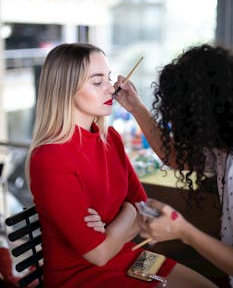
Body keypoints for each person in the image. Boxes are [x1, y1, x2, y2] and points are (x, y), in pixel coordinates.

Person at [26, 43, 217, 288]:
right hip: (80, 277)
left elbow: (143, 208)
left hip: (129, 256)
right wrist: (128, 212)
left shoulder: (111, 138)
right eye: (97, 82)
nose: (111, 87)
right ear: (65, 90)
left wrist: (116, 226)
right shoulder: (50, 157)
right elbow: (99, 254)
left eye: (108, 77)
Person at [114, 43, 233, 287]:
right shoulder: (223, 149)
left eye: (177, 115)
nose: (173, 123)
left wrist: (183, 231)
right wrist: (136, 107)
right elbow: (176, 157)